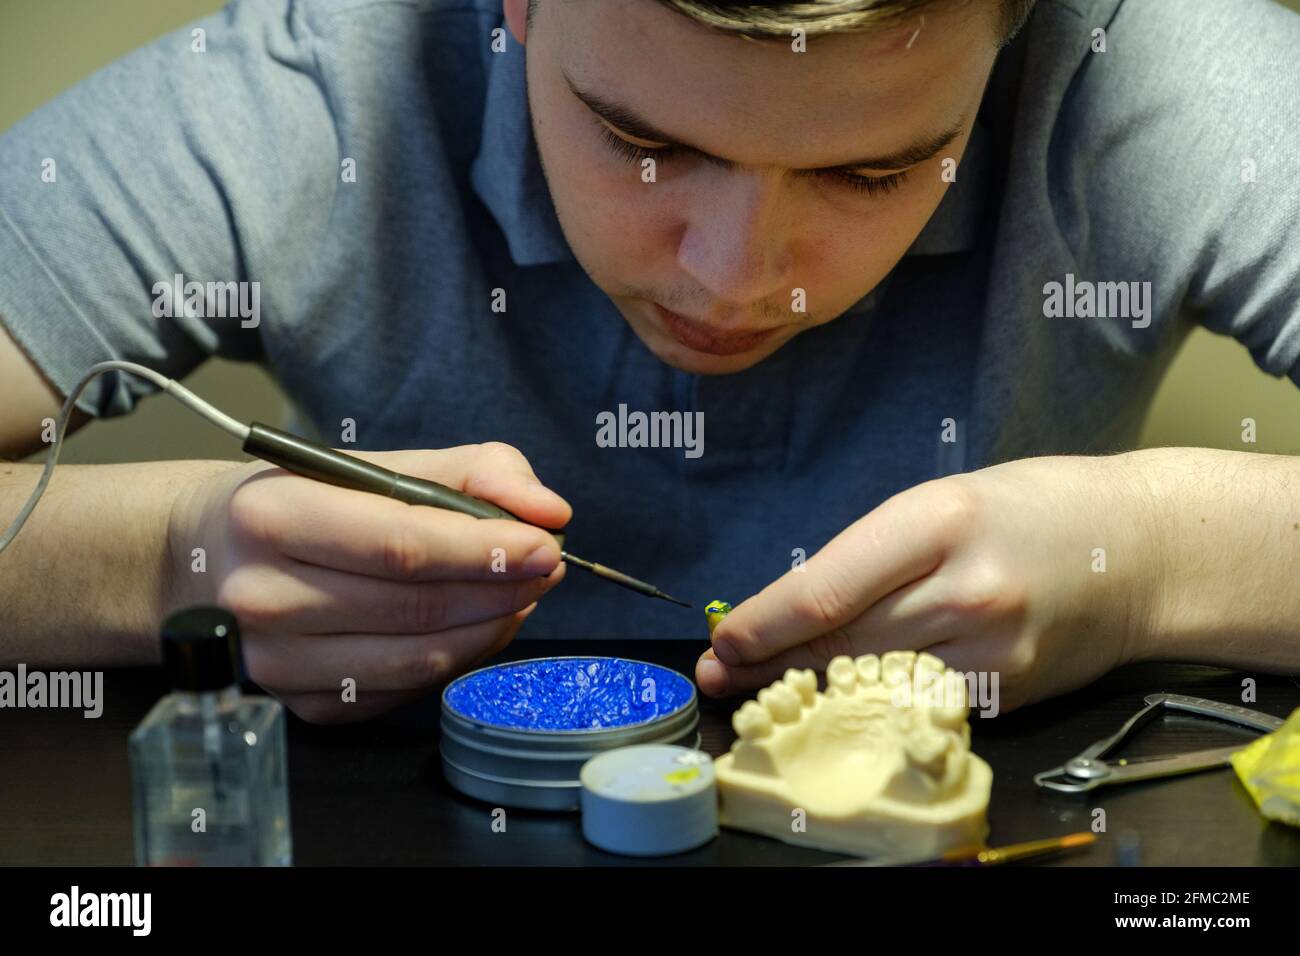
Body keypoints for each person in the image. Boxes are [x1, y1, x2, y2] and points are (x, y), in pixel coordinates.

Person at [1, 0, 1298, 724]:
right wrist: (178, 556)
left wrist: (1145, 562)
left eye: (872, 169)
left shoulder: (1151, 69)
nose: (734, 276)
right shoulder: (312, 95)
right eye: (642, 139)